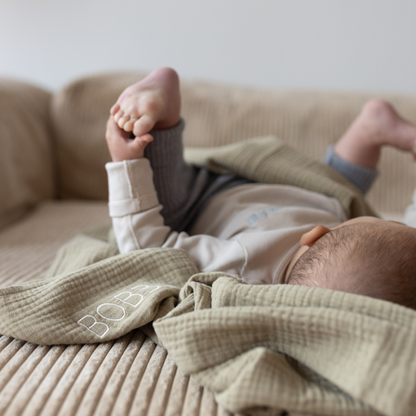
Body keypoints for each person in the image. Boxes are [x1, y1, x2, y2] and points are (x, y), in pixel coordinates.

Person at [105, 67, 416, 309]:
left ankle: (369, 129)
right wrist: (126, 164)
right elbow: (146, 248)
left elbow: (146, 252)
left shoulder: (244, 264)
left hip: (249, 194)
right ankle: (158, 125)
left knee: (340, 189)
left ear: (316, 234)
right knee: (341, 194)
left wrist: (126, 165)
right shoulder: (243, 264)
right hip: (245, 193)